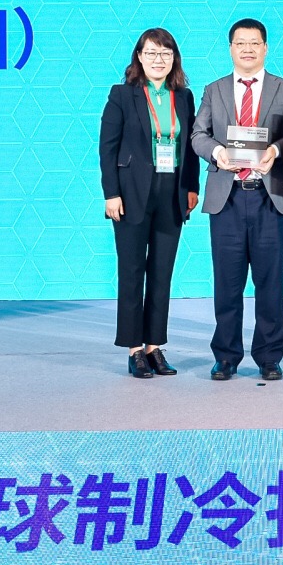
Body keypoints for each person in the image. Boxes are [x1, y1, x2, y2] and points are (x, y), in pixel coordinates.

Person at [191, 18, 283, 381]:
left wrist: (275, 149)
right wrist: (217, 152)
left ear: (265, 48)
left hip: (269, 197)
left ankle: (269, 356)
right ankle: (226, 356)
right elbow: (197, 134)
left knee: (270, 283)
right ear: (230, 49)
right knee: (227, 283)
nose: (248, 49)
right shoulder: (214, 90)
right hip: (227, 197)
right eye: (240, 43)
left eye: (254, 43)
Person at [99, 27, 201, 379]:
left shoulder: (183, 96)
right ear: (139, 57)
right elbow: (107, 148)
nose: (159, 59)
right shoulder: (122, 95)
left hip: (172, 191)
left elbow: (190, 147)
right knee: (132, 272)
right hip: (130, 194)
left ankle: (154, 346)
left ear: (174, 59)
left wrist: (191, 187)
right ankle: (134, 349)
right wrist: (111, 193)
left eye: (166, 53)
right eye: (152, 53)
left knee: (162, 273)